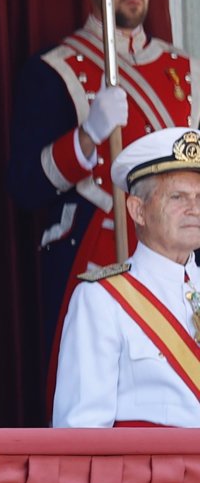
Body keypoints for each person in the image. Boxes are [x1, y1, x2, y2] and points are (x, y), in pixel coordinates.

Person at [9, 0, 193, 364]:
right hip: (94, 255)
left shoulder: (185, 72)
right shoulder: (53, 71)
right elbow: (26, 186)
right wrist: (87, 137)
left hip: (178, 257)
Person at [53, 126, 200, 427]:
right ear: (138, 210)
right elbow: (82, 435)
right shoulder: (102, 300)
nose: (194, 209)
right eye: (177, 197)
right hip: (154, 475)